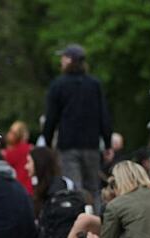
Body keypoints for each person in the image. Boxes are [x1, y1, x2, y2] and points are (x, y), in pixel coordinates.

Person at [41, 43, 113, 209]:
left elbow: (51, 117)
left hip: (69, 145)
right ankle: (95, 220)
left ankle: (79, 221)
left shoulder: (58, 85)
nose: (61, 61)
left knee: (74, 188)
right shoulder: (94, 84)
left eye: (63, 57)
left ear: (69, 60)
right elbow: (104, 115)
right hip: (91, 144)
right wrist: (107, 142)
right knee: (93, 188)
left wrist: (47, 141)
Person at [2, 121, 33, 195]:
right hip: (29, 189)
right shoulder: (30, 148)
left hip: (16, 189)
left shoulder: (8, 153)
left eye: (12, 133)